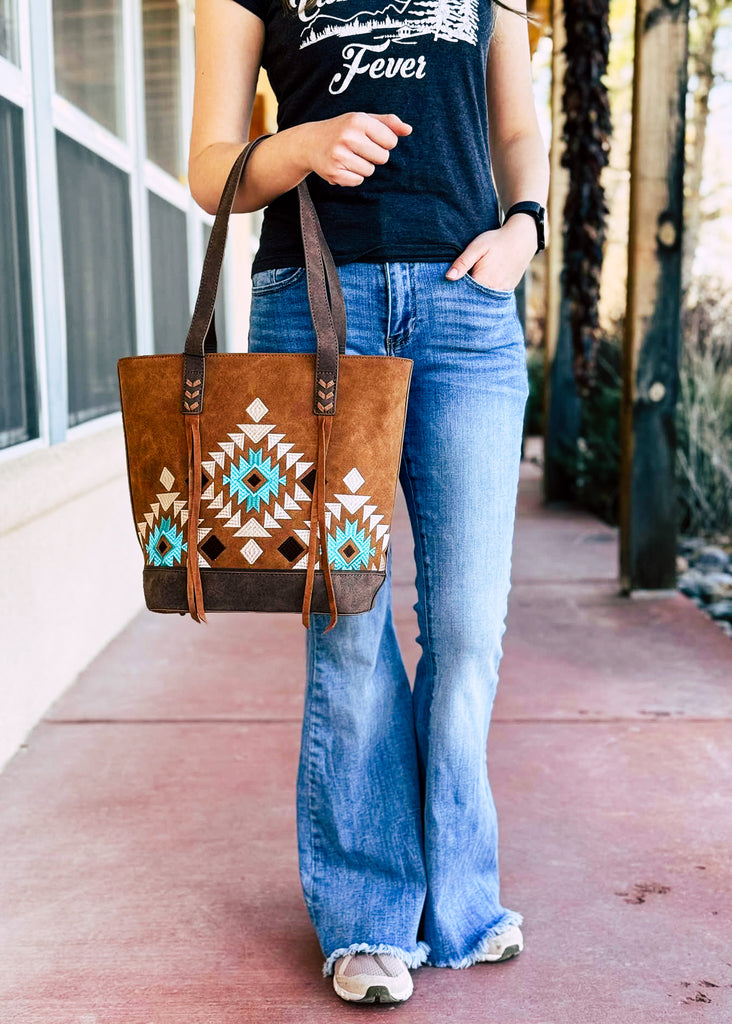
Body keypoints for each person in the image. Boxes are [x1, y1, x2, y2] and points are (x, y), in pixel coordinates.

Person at [189, 0, 549, 1004]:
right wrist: (295, 144)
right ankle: (367, 916)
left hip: (467, 301)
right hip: (313, 300)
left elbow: (516, 128)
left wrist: (524, 229)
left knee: (469, 627)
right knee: (347, 621)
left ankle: (461, 903)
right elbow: (209, 164)